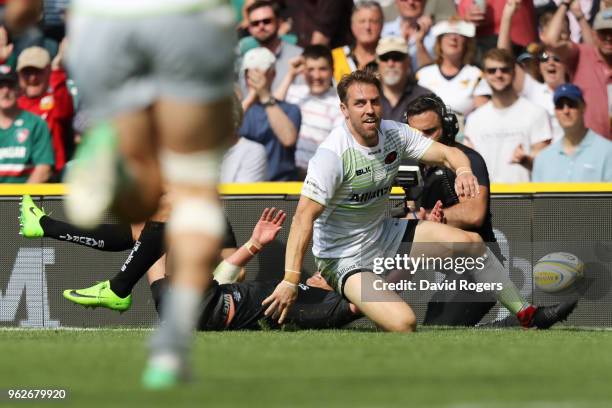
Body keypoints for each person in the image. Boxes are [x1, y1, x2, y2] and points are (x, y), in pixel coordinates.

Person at [262, 69, 576, 332]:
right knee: (404, 323)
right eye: (359, 103)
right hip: (342, 257)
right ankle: (309, 310)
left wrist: (464, 170)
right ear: (344, 110)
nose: (369, 109)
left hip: (382, 234)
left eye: (374, 101)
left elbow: (448, 152)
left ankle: (527, 315)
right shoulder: (332, 155)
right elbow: (303, 218)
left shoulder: (394, 133)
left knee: (471, 243)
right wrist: (290, 279)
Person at [64, 0, 237, 389]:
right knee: (194, 194)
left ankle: (110, 146)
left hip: (102, 26)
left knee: (148, 203)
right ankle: (171, 347)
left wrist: (21, 19)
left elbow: (23, 12)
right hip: (188, 22)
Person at [19, 196, 361, 331]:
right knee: (150, 227)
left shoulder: (329, 306)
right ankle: (47, 227)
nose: (321, 272)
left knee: (164, 220)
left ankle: (118, 287)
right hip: (191, 299)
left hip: (207, 307)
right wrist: (255, 244)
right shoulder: (300, 292)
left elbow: (370, 303)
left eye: (331, 275)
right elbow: (232, 272)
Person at [404, 93, 501, 326]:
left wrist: (432, 219)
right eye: (416, 134)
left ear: (448, 127)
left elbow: (474, 213)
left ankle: (512, 325)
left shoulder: (469, 160)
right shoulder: (408, 165)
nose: (424, 141)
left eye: (430, 132)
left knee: (440, 327)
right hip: (447, 267)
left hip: (478, 267)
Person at [464, 48, 552, 182]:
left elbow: (546, 165)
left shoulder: (537, 113)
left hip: (525, 197)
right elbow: (469, 166)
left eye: (504, 69)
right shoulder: (474, 119)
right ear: (485, 75)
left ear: (514, 72)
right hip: (487, 198)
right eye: (492, 70)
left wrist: (526, 160)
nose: (498, 75)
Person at [498, 1, 573, 141]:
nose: (550, 62)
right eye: (544, 58)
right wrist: (507, 15)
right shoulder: (533, 88)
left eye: (556, 58)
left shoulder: (579, 82)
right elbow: (502, 59)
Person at [274, 45, 343, 178]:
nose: (316, 76)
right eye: (310, 69)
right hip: (285, 174)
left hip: (318, 177)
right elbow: (271, 109)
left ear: (332, 70)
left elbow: (336, 147)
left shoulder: (340, 102)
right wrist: (290, 74)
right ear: (303, 71)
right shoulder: (292, 91)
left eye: (322, 69)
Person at [544, 5, 612, 139]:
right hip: (587, 147)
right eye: (603, 32)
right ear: (594, 34)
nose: (609, 37)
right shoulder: (581, 54)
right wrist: (564, 4)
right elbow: (551, 41)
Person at [240, 47, 301, 181]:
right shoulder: (240, 109)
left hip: (280, 191)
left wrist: (265, 95)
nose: (253, 77)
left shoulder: (290, 109)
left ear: (272, 74)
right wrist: (250, 98)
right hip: (244, 190)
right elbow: (223, 135)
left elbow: (288, 139)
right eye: (249, 73)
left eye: (259, 72)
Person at [533, 83, 612, 181]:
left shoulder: (608, 152)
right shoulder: (543, 159)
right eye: (560, 106)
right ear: (555, 112)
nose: (566, 111)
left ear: (583, 106)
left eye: (571, 104)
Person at [16, 43, 74, 173]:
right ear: (18, 74)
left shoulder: (56, 101)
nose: (32, 78)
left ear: (48, 72)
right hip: (12, 178)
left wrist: (58, 69)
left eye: (38, 71)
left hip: (49, 179)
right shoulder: (9, 104)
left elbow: (64, 109)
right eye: (27, 72)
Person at [416, 19, 489, 119]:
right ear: (439, 42)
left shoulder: (477, 74)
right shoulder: (422, 74)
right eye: (447, 34)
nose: (453, 38)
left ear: (467, 43)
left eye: (459, 34)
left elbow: (483, 113)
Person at [238, 0, 303, 96]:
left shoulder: (298, 56)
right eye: (255, 23)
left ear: (279, 22)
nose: (261, 26)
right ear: (249, 29)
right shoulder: (242, 60)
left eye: (267, 21)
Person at [0, 66, 53, 183]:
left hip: (25, 199)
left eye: (10, 85)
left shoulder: (36, 124)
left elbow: (43, 169)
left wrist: (20, 199)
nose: (5, 91)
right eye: (0, 86)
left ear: (18, 89)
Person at [376, 36, 431, 121]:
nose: (390, 64)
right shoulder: (367, 97)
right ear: (377, 62)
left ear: (408, 61)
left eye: (397, 57)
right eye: (385, 57)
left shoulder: (425, 97)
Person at [331, 1, 384, 82]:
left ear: (382, 25)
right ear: (352, 25)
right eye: (362, 21)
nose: (367, 27)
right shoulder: (335, 57)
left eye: (373, 21)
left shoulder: (389, 58)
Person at [381, 0, 437, 71]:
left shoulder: (437, 34)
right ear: (396, 1)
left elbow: (431, 75)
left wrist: (420, 43)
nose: (410, 2)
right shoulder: (382, 31)